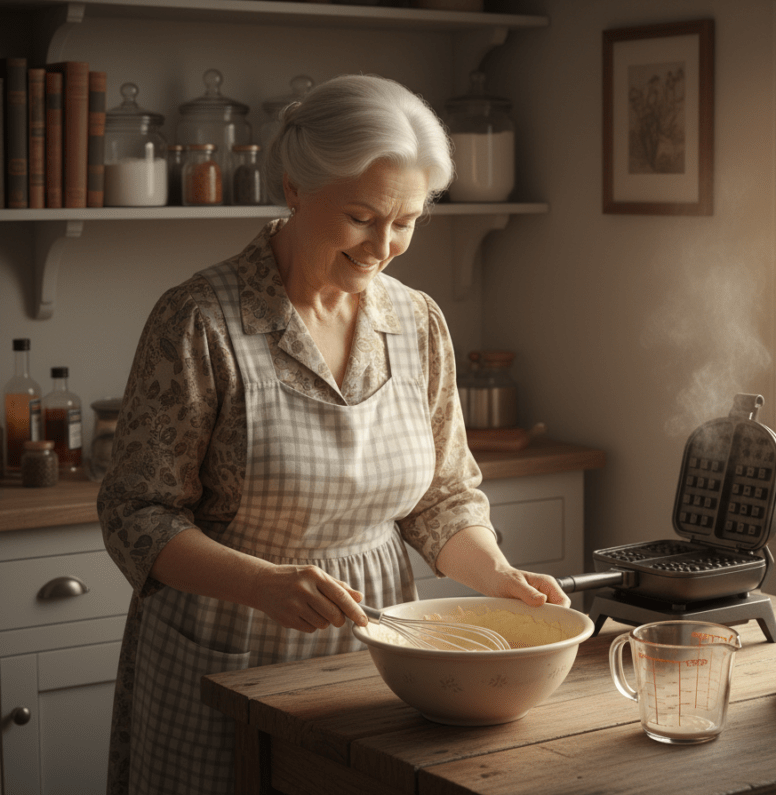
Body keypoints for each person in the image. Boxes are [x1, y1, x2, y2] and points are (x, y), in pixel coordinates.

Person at [98, 73, 569, 795]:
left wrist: (497, 577)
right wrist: (264, 584)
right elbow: (137, 514)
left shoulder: (416, 323)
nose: (384, 245)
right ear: (293, 188)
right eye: (361, 217)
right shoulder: (201, 321)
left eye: (407, 220)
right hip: (225, 648)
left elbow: (441, 497)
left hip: (380, 658)